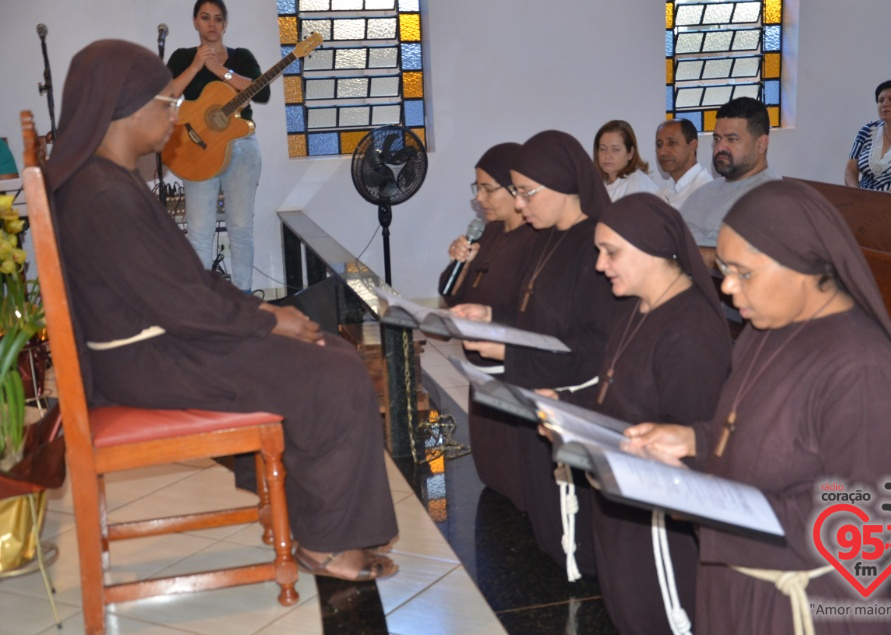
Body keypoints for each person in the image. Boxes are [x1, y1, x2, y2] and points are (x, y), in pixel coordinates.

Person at [47, 39, 399, 582]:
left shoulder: (110, 181)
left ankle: (316, 521)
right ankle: (329, 544)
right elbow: (177, 299)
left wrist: (260, 313)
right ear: (127, 108)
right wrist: (266, 320)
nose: (176, 113)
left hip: (161, 342)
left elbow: (181, 286)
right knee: (334, 373)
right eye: (168, 101)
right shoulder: (102, 195)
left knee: (324, 353)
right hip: (151, 357)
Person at [624, 181, 891, 634]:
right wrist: (695, 439)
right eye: (725, 269)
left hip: (803, 607)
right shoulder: (764, 331)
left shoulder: (861, 370)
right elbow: (758, 437)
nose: (727, 286)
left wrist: (708, 505)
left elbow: (864, 520)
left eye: (743, 272)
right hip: (743, 588)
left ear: (803, 265)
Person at [452, 130, 626, 577]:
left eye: (527, 193)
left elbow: (593, 343)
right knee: (545, 524)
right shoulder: (549, 234)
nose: (521, 204)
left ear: (564, 184)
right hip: (541, 388)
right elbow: (536, 313)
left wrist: (509, 351)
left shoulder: (595, 244)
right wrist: (493, 312)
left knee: (579, 541)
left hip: (575, 398)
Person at [587, 193, 732, 634]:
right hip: (624, 503)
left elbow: (689, 449)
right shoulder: (637, 306)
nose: (599, 264)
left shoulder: (691, 331)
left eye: (611, 251)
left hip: (660, 527)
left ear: (653, 249)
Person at [437, 142, 536, 509]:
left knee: (516, 474)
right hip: (481, 373)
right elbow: (450, 296)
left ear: (516, 190)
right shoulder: (489, 233)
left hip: (511, 368)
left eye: (487, 189)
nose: (480, 198)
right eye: (476, 189)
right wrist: (459, 264)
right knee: (493, 474)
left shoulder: (535, 238)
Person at [167, 0, 267, 293]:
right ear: (195, 22)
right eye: (205, 17)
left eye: (218, 19)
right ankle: (202, 304)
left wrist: (219, 69)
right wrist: (198, 64)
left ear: (225, 25)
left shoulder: (241, 57)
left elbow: (261, 91)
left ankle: (243, 299)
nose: (212, 24)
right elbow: (167, 94)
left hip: (241, 146)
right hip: (197, 148)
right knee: (199, 231)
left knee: (240, 228)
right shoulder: (182, 56)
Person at [679, 97, 780, 266]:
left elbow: (746, 262)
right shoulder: (705, 191)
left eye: (732, 139)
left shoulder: (771, 197)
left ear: (761, 144)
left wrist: (677, 255)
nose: (720, 148)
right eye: (717, 139)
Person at [593, 120, 658, 202]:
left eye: (615, 150)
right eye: (603, 149)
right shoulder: (597, 185)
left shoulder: (639, 186)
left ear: (630, 152)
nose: (607, 155)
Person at [654, 119, 712, 208]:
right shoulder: (660, 196)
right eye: (659, 145)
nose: (662, 152)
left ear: (693, 146)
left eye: (671, 143)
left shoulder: (707, 192)